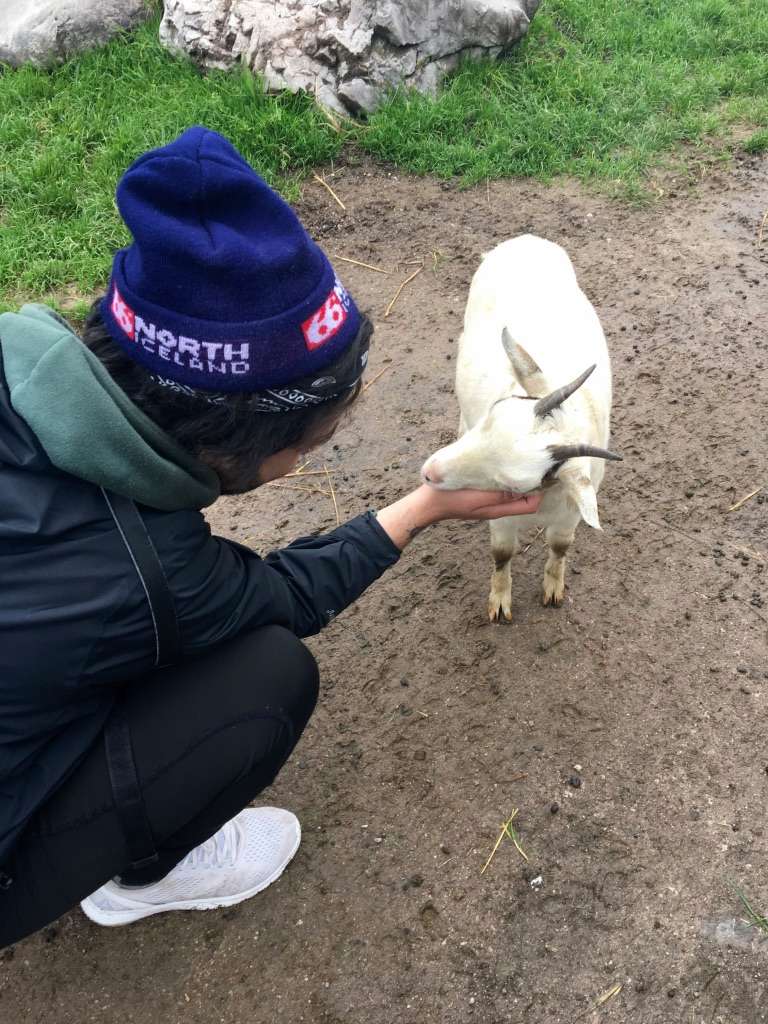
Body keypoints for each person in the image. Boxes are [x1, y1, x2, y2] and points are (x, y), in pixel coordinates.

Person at [0, 126, 540, 948]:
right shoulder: (148, 572)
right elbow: (281, 598)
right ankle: (140, 875)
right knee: (266, 678)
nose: (296, 471)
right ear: (230, 438)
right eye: (309, 448)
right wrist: (424, 507)